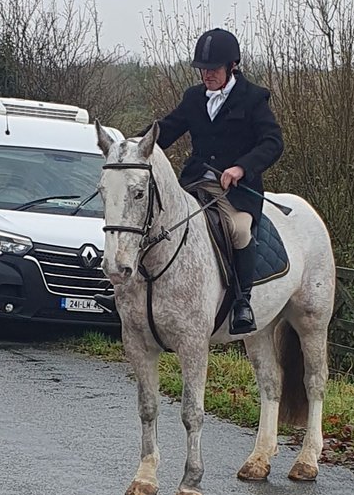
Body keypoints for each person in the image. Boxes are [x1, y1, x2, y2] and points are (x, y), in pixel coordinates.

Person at [97, 28, 283, 334]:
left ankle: (241, 301)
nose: (207, 75)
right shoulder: (194, 98)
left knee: (237, 231)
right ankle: (126, 290)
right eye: (203, 70)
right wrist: (130, 148)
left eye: (213, 70)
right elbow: (166, 130)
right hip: (195, 183)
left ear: (232, 66)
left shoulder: (253, 99)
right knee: (154, 222)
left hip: (234, 191)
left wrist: (241, 168)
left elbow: (273, 142)